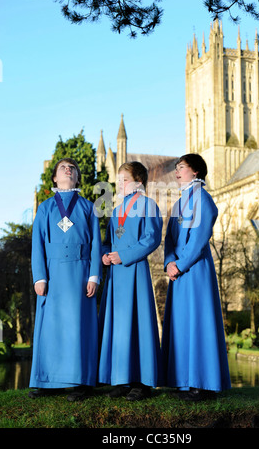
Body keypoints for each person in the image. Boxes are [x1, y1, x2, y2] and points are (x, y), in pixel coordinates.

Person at [29, 158, 102, 401]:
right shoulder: (45, 207)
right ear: (54, 178)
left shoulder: (88, 206)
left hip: (81, 274)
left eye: (72, 168)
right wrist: (39, 276)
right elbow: (37, 244)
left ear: (77, 177)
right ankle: (48, 381)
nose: (67, 169)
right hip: (52, 274)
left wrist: (94, 276)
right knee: (51, 328)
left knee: (79, 328)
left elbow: (95, 244)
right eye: (62, 167)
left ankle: (82, 382)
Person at [161, 153, 231, 401]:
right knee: (182, 325)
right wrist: (169, 262)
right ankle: (183, 382)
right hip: (178, 273)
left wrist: (179, 264)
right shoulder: (179, 202)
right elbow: (169, 237)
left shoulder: (203, 199)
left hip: (195, 271)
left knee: (198, 325)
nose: (177, 172)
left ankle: (202, 384)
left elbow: (200, 240)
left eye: (182, 167)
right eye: (177, 168)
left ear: (196, 172)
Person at [98, 161, 163, 401]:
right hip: (116, 276)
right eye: (118, 180)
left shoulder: (149, 205)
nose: (119, 184)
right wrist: (105, 254)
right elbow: (107, 240)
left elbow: (151, 240)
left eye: (124, 180)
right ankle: (121, 379)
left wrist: (122, 256)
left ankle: (142, 382)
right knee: (118, 327)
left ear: (138, 182)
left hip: (134, 271)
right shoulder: (116, 211)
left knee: (139, 325)